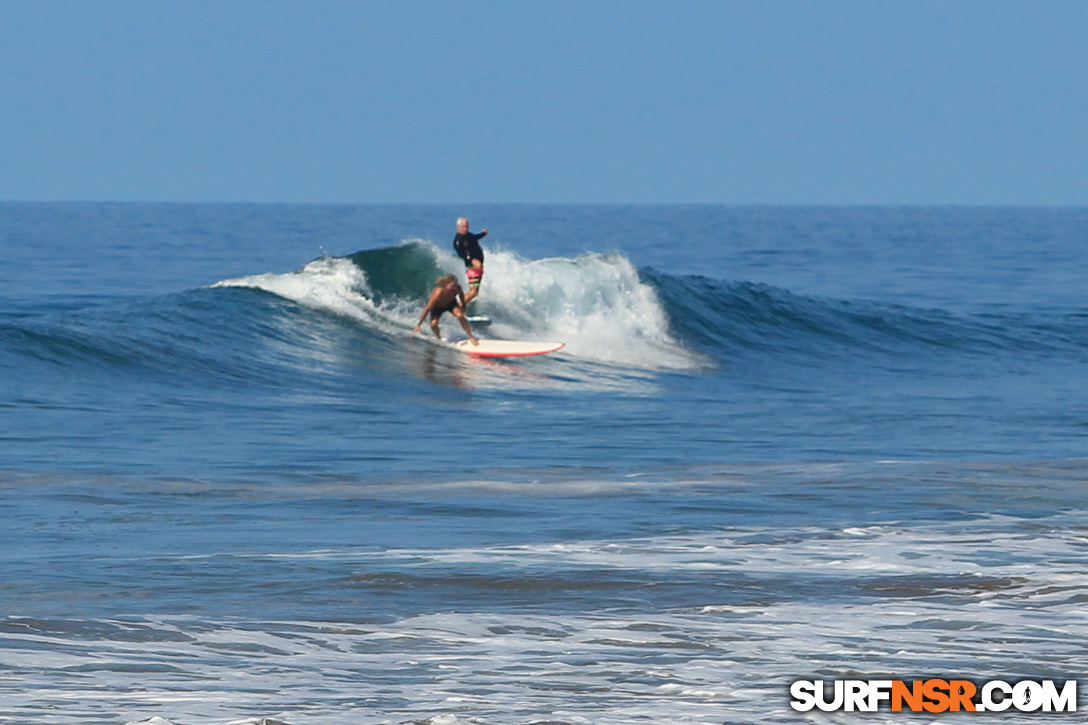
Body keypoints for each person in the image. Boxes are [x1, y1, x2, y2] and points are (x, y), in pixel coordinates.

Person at [412, 274, 478, 345]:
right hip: (437, 307)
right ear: (446, 284)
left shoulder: (457, 288)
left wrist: (463, 308)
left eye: (456, 284)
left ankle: (470, 337)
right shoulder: (438, 292)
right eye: (453, 285)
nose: (455, 287)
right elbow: (427, 308)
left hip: (451, 304)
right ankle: (438, 337)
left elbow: (462, 298)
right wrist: (419, 324)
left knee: (460, 315)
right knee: (433, 324)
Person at [452, 217, 487, 306]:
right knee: (473, 292)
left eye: (467, 226)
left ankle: (459, 307)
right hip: (472, 268)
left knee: (473, 292)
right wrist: (471, 260)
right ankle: (457, 307)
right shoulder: (458, 241)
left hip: (477, 268)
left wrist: (483, 233)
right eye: (463, 227)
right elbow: (461, 254)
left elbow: (475, 237)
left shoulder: (468, 235)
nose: (466, 229)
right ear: (458, 227)